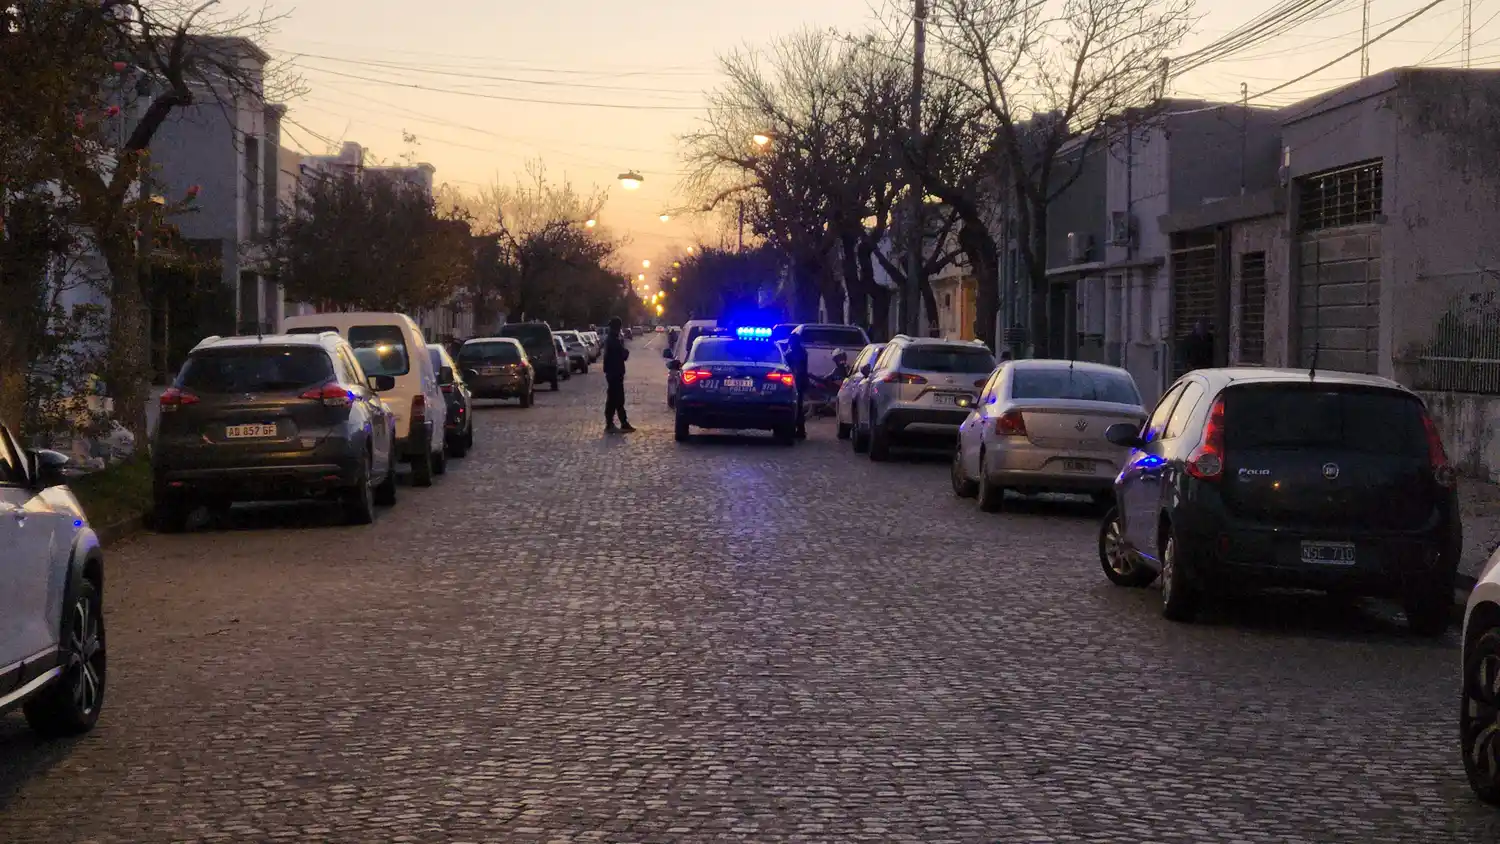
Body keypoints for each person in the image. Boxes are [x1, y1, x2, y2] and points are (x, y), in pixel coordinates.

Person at [603, 316, 634, 434]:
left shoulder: (612, 339)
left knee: (613, 399)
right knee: (616, 399)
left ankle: (616, 423)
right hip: (614, 373)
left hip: (613, 373)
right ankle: (619, 423)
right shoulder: (613, 340)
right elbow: (623, 354)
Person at [784, 332, 809, 439]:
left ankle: (798, 429)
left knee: (795, 406)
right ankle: (800, 430)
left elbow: (796, 369)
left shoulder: (793, 354)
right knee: (798, 406)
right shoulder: (803, 352)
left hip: (796, 383)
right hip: (799, 382)